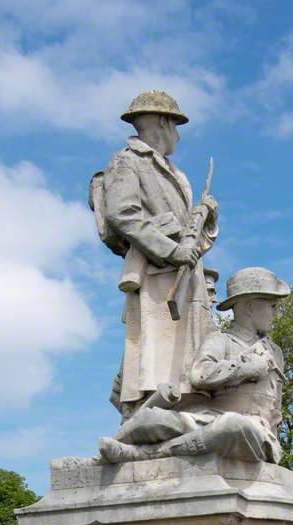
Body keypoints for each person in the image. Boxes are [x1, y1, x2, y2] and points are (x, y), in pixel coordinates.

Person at [90, 90, 218, 417]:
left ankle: (181, 409)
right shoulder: (127, 161)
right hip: (156, 274)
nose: (177, 135)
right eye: (176, 125)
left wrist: (205, 220)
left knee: (184, 353)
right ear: (164, 122)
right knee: (153, 353)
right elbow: (123, 214)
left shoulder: (174, 173)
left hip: (183, 275)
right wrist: (171, 250)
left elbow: (191, 243)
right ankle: (148, 413)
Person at [97, 267, 290, 463]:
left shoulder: (275, 352)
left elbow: (276, 410)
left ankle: (147, 454)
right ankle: (106, 456)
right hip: (210, 420)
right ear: (249, 307)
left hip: (257, 433)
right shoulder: (220, 341)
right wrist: (247, 368)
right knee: (151, 419)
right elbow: (200, 374)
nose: (277, 313)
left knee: (232, 425)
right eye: (272, 306)